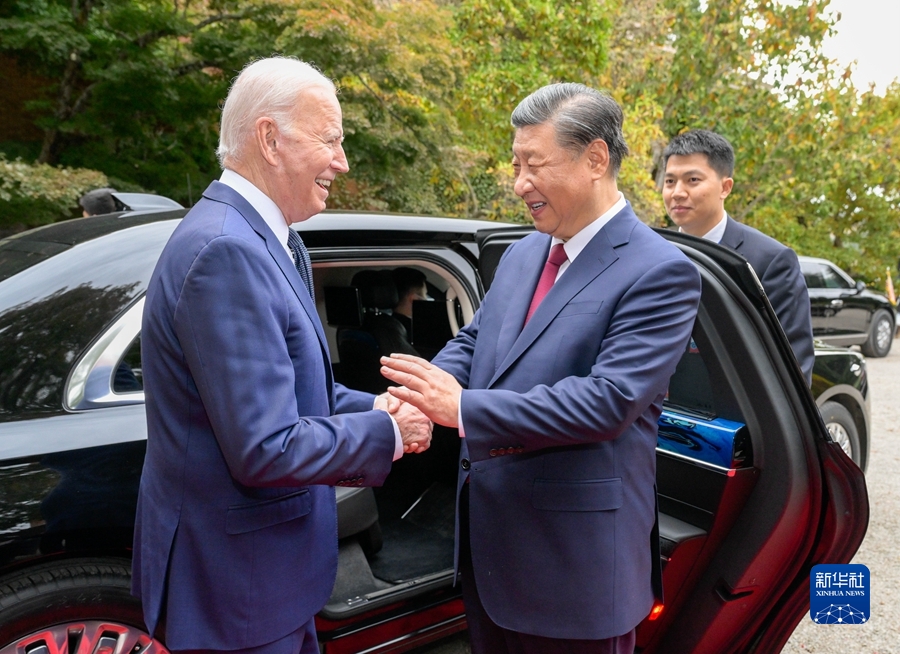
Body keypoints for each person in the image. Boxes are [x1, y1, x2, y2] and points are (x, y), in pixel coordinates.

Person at [380, 83, 702, 654]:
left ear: (595, 158)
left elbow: (608, 401)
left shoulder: (660, 271)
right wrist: (418, 393)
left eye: (534, 165)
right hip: (491, 555)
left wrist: (461, 409)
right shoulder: (526, 250)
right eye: (515, 166)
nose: (519, 183)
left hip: (574, 572)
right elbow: (479, 340)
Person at [132, 57, 432, 654]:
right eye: (330, 140)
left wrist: (378, 404)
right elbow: (265, 447)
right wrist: (390, 433)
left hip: (262, 582)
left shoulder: (269, 237)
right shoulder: (227, 251)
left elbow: (292, 386)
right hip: (237, 593)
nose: (342, 162)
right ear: (270, 139)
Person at [662, 129, 814, 384]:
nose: (677, 192)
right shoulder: (652, 250)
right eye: (670, 181)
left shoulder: (770, 261)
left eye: (692, 180)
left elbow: (793, 367)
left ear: (725, 187)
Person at [391, 266, 428, 339]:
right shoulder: (416, 332)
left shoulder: (389, 325)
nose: (426, 298)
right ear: (414, 299)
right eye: (425, 294)